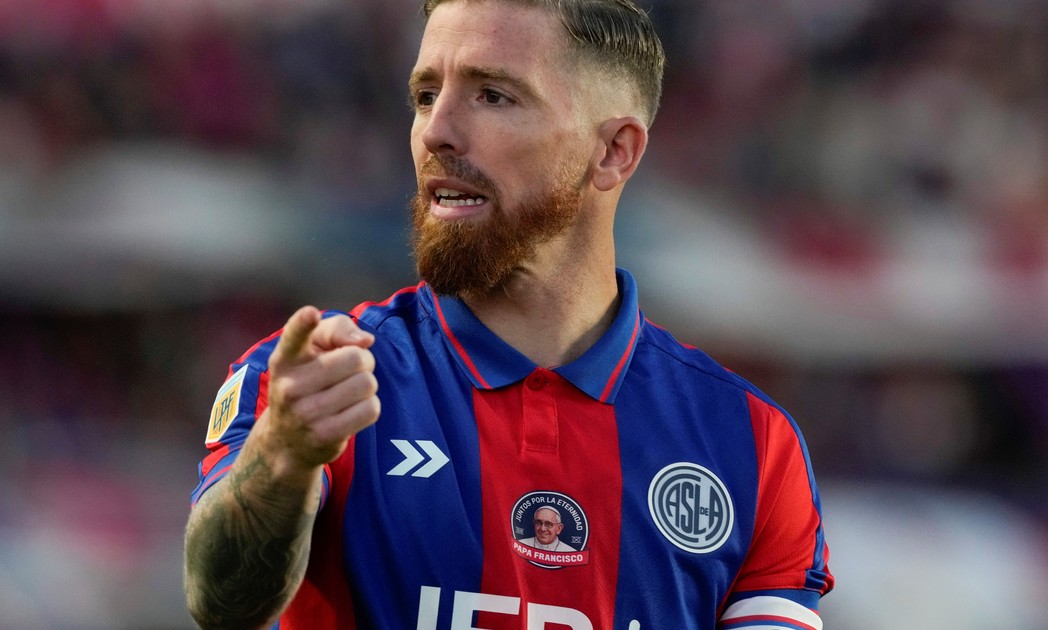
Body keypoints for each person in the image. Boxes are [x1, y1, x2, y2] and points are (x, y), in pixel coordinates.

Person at [184, 0, 834, 628]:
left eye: (493, 96)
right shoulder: (318, 381)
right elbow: (220, 602)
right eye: (425, 96)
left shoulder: (752, 445)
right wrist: (283, 460)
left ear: (614, 151)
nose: (436, 131)